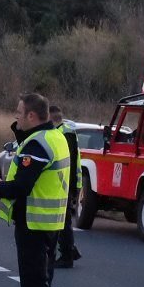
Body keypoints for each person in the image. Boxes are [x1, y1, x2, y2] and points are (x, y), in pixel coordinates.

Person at [0, 93, 70, 287]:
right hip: (50, 224)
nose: (16, 116)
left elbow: (21, 186)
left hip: (35, 224)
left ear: (32, 117)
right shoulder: (54, 136)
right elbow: (23, 141)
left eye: (19, 113)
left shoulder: (38, 144)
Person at [49, 104, 82, 269]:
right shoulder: (66, 131)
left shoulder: (63, 133)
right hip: (67, 183)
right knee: (62, 221)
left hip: (63, 183)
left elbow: (65, 163)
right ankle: (70, 250)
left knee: (63, 222)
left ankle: (67, 254)